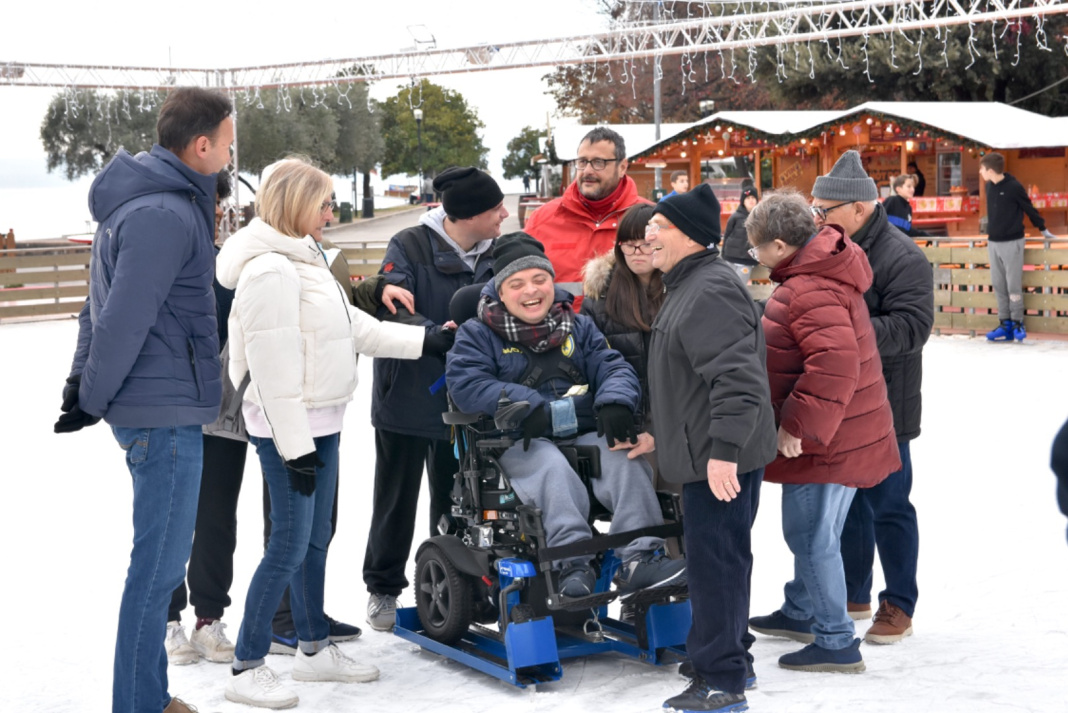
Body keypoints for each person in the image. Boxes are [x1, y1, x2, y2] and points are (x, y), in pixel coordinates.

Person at [215, 158, 449, 708]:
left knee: (315, 539)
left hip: (323, 420)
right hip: (288, 430)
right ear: (296, 203)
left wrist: (427, 340)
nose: (330, 213)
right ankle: (247, 664)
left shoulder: (307, 256)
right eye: (323, 203)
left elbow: (352, 327)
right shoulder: (270, 270)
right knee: (288, 545)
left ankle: (314, 649)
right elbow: (271, 370)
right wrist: (295, 449)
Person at [53, 87, 234, 713]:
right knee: (157, 573)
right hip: (162, 413)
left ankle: (149, 696)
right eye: (228, 143)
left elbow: (94, 307)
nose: (230, 155)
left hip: (159, 404)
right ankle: (138, 704)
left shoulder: (148, 204)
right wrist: (91, 394)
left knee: (157, 568)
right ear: (201, 145)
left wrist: (83, 383)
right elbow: (121, 318)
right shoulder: (162, 213)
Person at [446, 233, 687, 597]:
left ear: (552, 282)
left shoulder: (577, 325)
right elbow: (466, 384)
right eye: (517, 284)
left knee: (625, 461)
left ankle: (640, 559)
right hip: (516, 441)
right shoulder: (477, 334)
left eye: (539, 279)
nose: (531, 291)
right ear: (500, 292)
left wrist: (616, 401)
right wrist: (524, 403)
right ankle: (572, 563)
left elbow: (612, 366)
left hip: (580, 432)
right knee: (551, 467)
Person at [633, 184, 778, 712]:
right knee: (722, 560)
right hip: (705, 449)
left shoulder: (708, 290)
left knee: (715, 565)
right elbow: (687, 382)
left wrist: (724, 450)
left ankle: (721, 679)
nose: (648, 236)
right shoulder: (689, 283)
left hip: (717, 457)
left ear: (691, 237)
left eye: (659, 228)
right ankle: (729, 657)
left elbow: (737, 381)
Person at [744, 190, 901, 674]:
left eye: (755, 248)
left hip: (827, 439)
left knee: (811, 535)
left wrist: (796, 425)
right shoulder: (818, 273)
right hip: (846, 430)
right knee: (821, 531)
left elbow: (834, 364)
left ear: (778, 246)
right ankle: (801, 610)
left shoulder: (807, 288)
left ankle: (834, 639)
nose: (754, 256)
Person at [363, 166, 504, 631]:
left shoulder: (496, 251)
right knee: (395, 500)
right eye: (495, 209)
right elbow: (391, 305)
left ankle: (458, 587)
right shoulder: (409, 244)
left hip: (465, 401)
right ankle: (383, 588)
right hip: (406, 393)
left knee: (459, 499)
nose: (504, 215)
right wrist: (433, 334)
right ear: (468, 215)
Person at [809, 150, 934, 645]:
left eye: (824, 210)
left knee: (889, 504)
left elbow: (912, 328)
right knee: (848, 505)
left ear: (858, 209)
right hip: (840, 399)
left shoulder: (902, 256)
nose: (817, 219)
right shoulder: (826, 247)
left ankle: (899, 602)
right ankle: (852, 592)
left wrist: (844, 331)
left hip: (887, 404)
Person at [524, 127, 649, 302]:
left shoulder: (651, 219)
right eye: (582, 162)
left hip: (631, 320)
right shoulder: (542, 220)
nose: (588, 170)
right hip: (562, 320)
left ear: (622, 167)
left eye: (599, 162)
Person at [580, 203, 662, 422]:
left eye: (645, 244)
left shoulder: (680, 290)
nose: (636, 253)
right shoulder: (600, 297)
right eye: (629, 244)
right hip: (620, 417)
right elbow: (589, 364)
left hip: (672, 420)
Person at [979, 151, 1056, 342]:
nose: (980, 172)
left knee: (1013, 285)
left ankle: (1017, 322)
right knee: (998, 284)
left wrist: (1043, 228)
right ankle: (1004, 323)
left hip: (1012, 242)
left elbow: (1028, 207)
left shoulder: (1013, 187)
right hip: (993, 242)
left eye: (982, 169)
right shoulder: (989, 187)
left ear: (990, 170)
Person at [721, 184, 761, 279]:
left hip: (747, 259)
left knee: (740, 284)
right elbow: (727, 235)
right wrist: (723, 253)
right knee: (728, 283)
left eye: (753, 197)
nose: (751, 200)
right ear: (743, 201)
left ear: (757, 200)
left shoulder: (760, 218)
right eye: (747, 198)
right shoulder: (735, 217)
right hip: (731, 257)